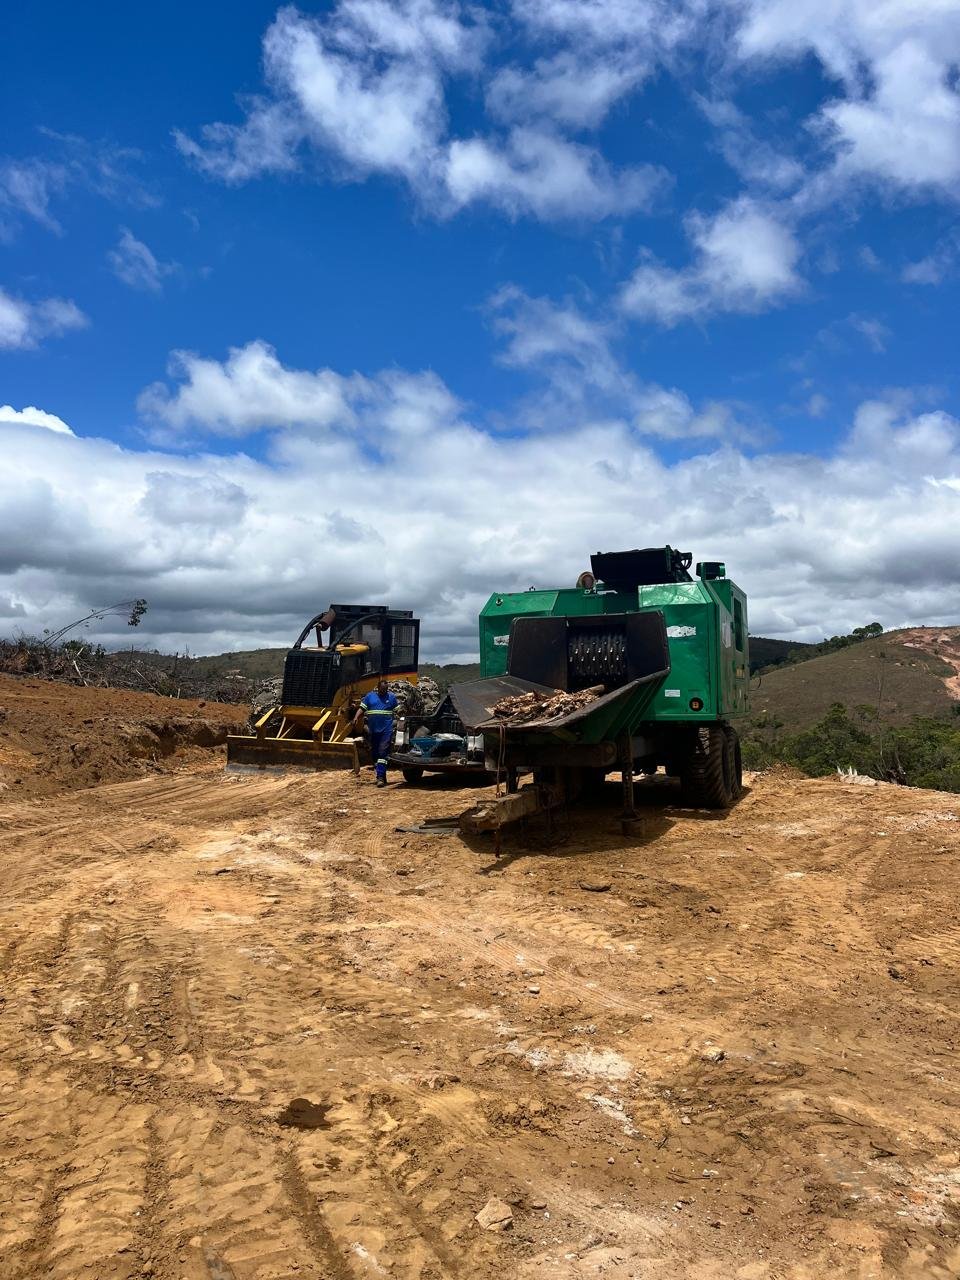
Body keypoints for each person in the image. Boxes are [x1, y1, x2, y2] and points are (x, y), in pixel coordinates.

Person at [352, 678, 399, 787]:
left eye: (386, 690)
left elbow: (399, 711)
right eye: (382, 690)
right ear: (378, 689)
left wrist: (403, 719)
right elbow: (361, 709)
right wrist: (356, 717)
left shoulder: (391, 697)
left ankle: (380, 777)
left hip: (386, 730)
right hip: (373, 731)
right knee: (375, 754)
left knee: (383, 752)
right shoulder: (370, 697)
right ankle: (382, 773)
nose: (384, 692)